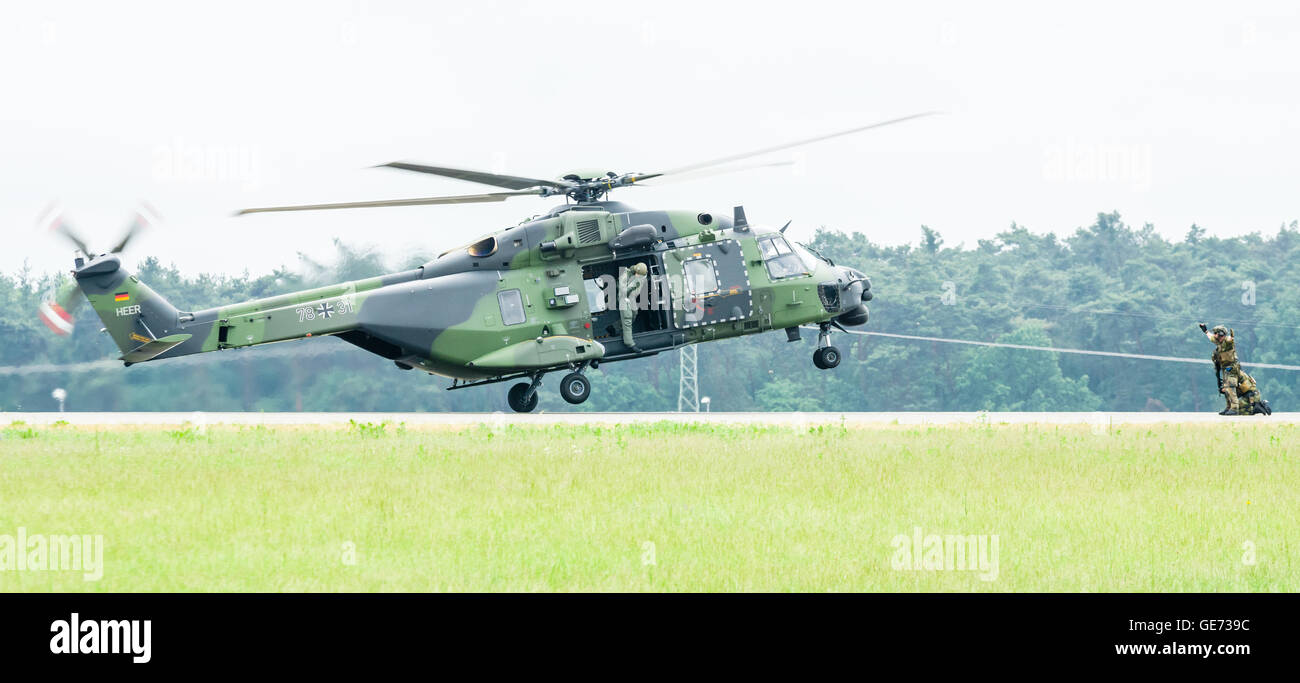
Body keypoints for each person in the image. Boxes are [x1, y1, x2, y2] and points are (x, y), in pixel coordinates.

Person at [1199, 323, 1271, 415]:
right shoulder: (1219, 342)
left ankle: (1234, 408)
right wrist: (1205, 331)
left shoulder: (1227, 342)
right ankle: (1229, 407)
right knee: (1226, 389)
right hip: (1227, 369)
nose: (1215, 336)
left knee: (1230, 387)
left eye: (1217, 334)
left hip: (1231, 369)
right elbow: (1212, 338)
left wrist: (1231, 337)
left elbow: (1230, 340)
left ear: (1221, 334)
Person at [619, 262, 648, 350]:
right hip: (624, 298)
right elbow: (623, 292)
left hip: (631, 297)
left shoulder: (641, 274)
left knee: (634, 314)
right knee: (627, 318)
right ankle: (630, 343)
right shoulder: (624, 276)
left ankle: (614, 328)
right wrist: (633, 284)